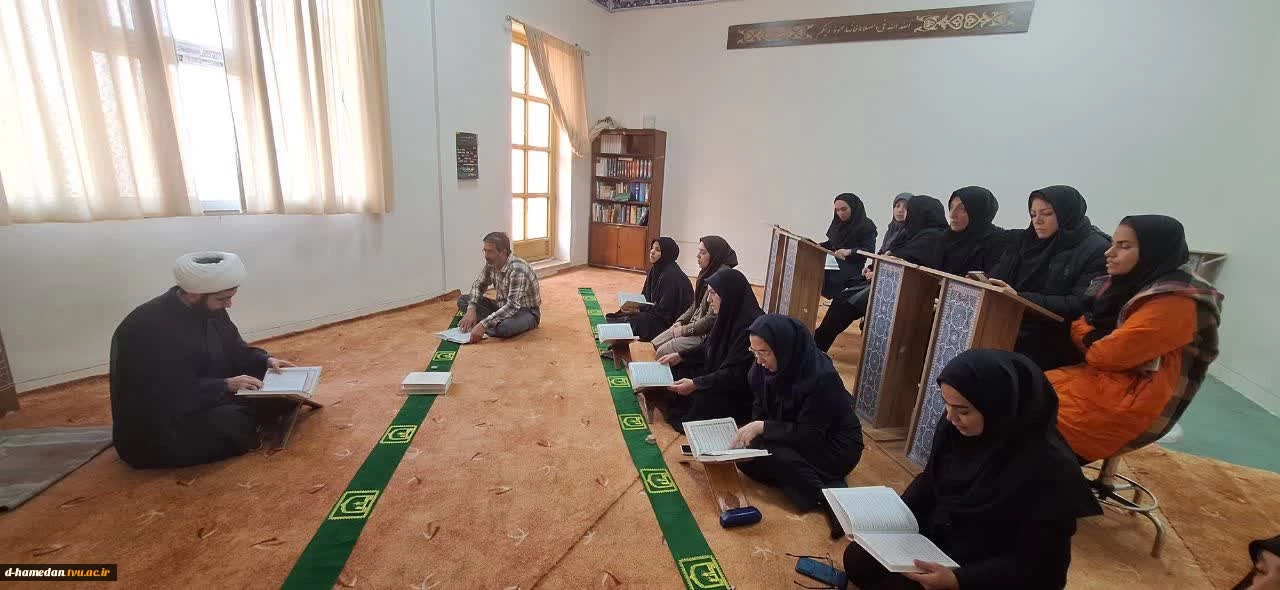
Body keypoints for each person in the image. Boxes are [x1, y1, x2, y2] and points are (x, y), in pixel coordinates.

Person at [844, 349, 1101, 590]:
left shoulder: (1050, 470)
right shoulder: (956, 428)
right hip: (945, 533)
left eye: (963, 411)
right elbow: (932, 480)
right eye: (946, 404)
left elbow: (1043, 570)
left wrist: (959, 580)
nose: (950, 417)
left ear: (999, 407)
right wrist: (890, 524)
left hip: (989, 563)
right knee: (859, 560)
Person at [1047, 215, 1223, 462]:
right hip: (1106, 381)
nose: (1109, 253)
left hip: (1133, 401)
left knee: (1025, 413)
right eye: (1113, 243)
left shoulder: (1177, 300)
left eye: (1124, 246)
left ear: (1153, 252)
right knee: (1014, 392)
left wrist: (1086, 333)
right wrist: (1090, 334)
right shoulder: (1128, 283)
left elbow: (1106, 354)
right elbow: (1089, 327)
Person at [109, 252, 299, 469]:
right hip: (160, 422)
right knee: (233, 421)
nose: (229, 304)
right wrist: (225, 385)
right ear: (193, 294)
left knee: (279, 391)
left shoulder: (209, 309)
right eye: (222, 299)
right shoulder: (146, 327)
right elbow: (163, 390)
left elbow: (234, 348)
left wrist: (266, 360)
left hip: (203, 391)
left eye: (231, 296)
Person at [731, 314, 863, 539]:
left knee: (774, 453)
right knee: (747, 459)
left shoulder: (822, 377)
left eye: (764, 352)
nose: (759, 360)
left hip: (833, 444)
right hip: (792, 430)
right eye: (754, 352)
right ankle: (808, 478)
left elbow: (811, 434)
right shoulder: (762, 368)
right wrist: (755, 432)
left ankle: (826, 498)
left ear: (784, 348)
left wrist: (763, 427)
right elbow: (760, 407)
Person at [988, 186, 1109, 371]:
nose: (1038, 220)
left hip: (1054, 338)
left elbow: (1080, 304)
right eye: (1033, 214)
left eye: (1047, 213)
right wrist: (980, 282)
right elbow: (998, 275)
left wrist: (1020, 298)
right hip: (1010, 324)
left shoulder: (1096, 250)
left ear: (1066, 213)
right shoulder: (1025, 241)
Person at [814, 195, 948, 352]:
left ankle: (817, 345)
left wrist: (880, 268)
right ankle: (817, 344)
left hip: (902, 290)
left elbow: (908, 262)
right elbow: (887, 254)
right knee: (842, 299)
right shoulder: (909, 233)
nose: (904, 213)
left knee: (845, 302)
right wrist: (874, 268)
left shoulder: (933, 238)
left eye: (908, 210)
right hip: (884, 281)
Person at [654, 268, 761, 433]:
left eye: (713, 294)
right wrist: (680, 356)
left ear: (728, 295)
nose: (709, 300)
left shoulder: (751, 328)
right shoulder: (727, 313)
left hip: (735, 390)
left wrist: (696, 384)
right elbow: (708, 346)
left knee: (701, 400)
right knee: (678, 368)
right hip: (718, 374)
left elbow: (735, 374)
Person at [650, 236, 738, 357]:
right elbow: (695, 304)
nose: (698, 256)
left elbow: (710, 320)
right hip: (693, 324)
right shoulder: (707, 272)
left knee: (662, 351)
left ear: (715, 255)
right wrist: (680, 321)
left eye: (703, 252)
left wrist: (684, 330)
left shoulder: (722, 278)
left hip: (704, 334)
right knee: (654, 344)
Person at [604, 237, 693, 343]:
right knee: (624, 315)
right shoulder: (655, 269)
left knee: (636, 320)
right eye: (652, 248)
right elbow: (645, 296)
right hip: (656, 312)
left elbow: (665, 312)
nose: (652, 252)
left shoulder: (670, 276)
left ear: (666, 254)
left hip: (669, 323)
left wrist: (639, 310)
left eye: (657, 250)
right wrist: (635, 305)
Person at [458, 232, 542, 342]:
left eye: (490, 251)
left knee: (505, 328)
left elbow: (512, 306)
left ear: (503, 252)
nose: (486, 255)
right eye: (485, 250)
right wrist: (471, 309)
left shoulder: (518, 269)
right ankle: (490, 323)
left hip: (525, 311)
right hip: (501, 305)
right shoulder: (491, 263)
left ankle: (486, 324)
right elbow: (478, 285)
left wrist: (483, 325)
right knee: (464, 300)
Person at [938, 186, 1009, 276]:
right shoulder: (941, 240)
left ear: (978, 212)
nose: (952, 214)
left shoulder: (998, 243)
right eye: (951, 207)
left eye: (962, 208)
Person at [819, 193, 878, 299]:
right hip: (834, 262)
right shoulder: (838, 223)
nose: (840, 213)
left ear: (853, 207)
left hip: (851, 266)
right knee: (814, 267)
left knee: (824, 275)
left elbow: (869, 251)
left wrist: (849, 251)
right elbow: (832, 243)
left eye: (844, 209)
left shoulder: (866, 226)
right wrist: (818, 245)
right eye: (837, 210)